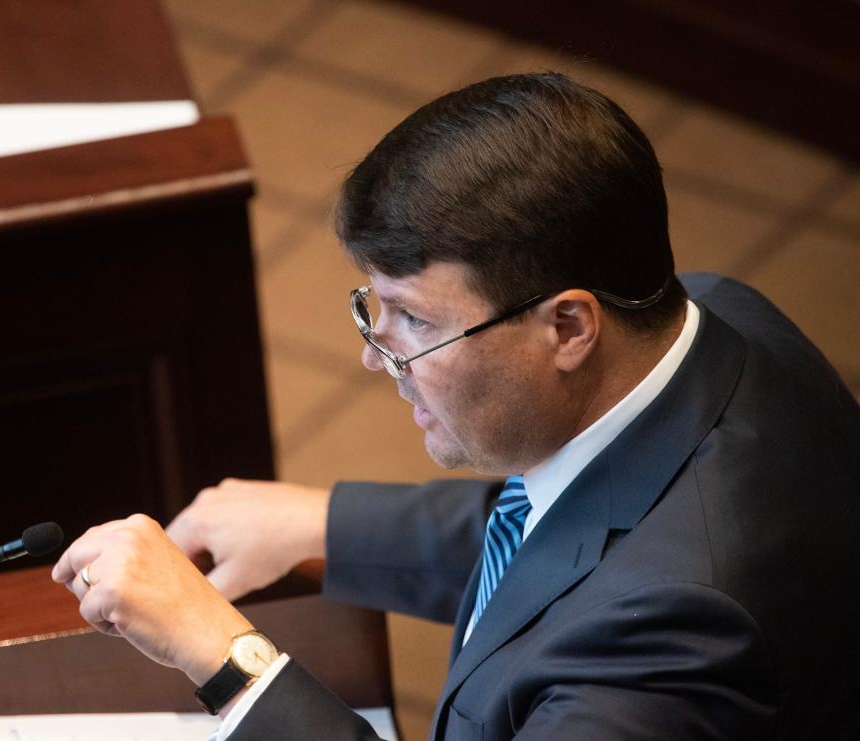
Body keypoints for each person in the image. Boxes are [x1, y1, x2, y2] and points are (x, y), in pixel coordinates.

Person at [52, 73, 860, 740]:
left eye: (414, 318)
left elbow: (613, 590)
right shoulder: (711, 317)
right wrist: (327, 525)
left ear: (569, 325)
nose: (376, 353)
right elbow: (565, 533)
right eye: (373, 306)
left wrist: (223, 655)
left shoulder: (675, 635)